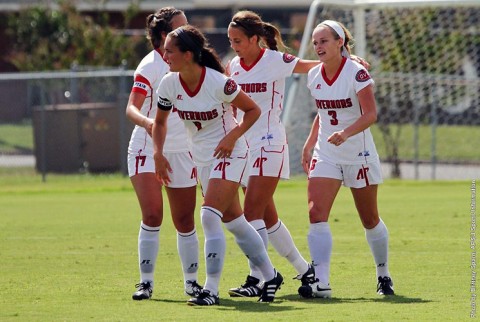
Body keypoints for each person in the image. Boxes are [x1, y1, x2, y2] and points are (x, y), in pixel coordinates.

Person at [152, 25, 284, 306]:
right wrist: (158, 153)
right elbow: (160, 122)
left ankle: (210, 289)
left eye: (170, 51)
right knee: (235, 222)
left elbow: (253, 110)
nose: (165, 56)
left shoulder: (217, 81)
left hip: (230, 153)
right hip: (201, 158)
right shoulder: (168, 83)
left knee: (209, 216)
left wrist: (232, 136)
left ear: (188, 55)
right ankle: (271, 276)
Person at [225, 10, 321, 298]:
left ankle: (257, 278)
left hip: (269, 142)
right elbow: (231, 103)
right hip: (244, 144)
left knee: (250, 212)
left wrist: (348, 61)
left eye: (239, 40)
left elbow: (310, 65)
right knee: (268, 219)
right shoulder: (233, 66)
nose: (234, 45)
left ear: (255, 39)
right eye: (231, 40)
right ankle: (306, 270)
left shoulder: (275, 60)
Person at [299, 20, 394, 298]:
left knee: (369, 219)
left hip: (358, 154)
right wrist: (309, 142)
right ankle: (322, 282)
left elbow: (370, 114)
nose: (318, 47)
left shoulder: (357, 73)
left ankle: (383, 274)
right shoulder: (314, 74)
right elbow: (323, 111)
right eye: (315, 42)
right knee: (316, 213)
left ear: (340, 42)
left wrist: (346, 132)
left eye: (324, 41)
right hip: (326, 152)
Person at [125, 7, 202, 301]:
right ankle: (145, 282)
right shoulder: (151, 66)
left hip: (183, 150)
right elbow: (131, 107)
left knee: (184, 219)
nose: (188, 30)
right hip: (146, 147)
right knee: (153, 214)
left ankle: (192, 282)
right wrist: (150, 124)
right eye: (180, 28)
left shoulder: (191, 58)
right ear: (162, 35)